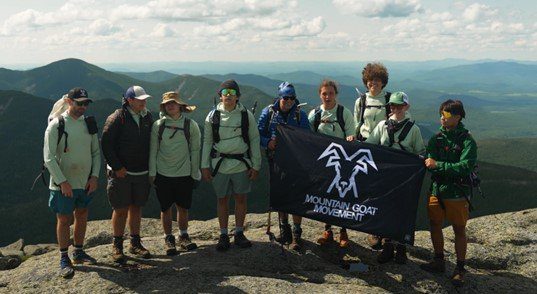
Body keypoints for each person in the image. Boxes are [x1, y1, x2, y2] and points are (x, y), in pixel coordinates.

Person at [43, 87, 100, 278]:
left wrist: (94, 177)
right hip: (64, 183)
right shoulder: (57, 125)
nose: (83, 107)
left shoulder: (89, 124)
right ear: (69, 102)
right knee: (64, 218)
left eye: (86, 103)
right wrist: (62, 182)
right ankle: (63, 257)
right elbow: (48, 157)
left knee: (82, 214)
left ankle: (78, 251)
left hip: (84, 181)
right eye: (79, 103)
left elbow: (96, 153)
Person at [420, 99, 477, 287]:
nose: (441, 118)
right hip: (437, 190)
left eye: (445, 115)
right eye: (441, 114)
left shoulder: (467, 140)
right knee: (434, 224)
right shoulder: (436, 139)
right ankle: (439, 261)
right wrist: (438, 167)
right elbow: (429, 162)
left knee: (459, 229)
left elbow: (465, 167)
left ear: (458, 117)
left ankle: (460, 269)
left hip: (457, 193)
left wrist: (439, 166)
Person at [201, 80, 261, 251]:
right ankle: (224, 234)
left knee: (240, 198)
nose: (228, 95)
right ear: (220, 95)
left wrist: (256, 165)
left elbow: (255, 140)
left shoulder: (245, 115)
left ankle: (239, 232)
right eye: (225, 92)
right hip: (220, 164)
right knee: (222, 199)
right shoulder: (212, 116)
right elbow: (207, 142)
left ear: (237, 96)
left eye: (232, 92)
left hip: (241, 164)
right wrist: (204, 166)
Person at [366, 91, 425, 264]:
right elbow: (370, 144)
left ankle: (401, 248)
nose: (395, 108)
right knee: (386, 209)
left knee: (401, 210)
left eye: (399, 105)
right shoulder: (382, 125)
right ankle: (388, 246)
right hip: (385, 175)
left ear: (406, 107)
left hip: (404, 178)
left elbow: (420, 152)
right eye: (392, 105)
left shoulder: (414, 129)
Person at [101, 85, 153, 263]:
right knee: (121, 208)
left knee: (137, 207)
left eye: (145, 99)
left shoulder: (147, 116)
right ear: (130, 100)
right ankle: (117, 246)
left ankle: (135, 243)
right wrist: (116, 167)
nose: (144, 102)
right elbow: (106, 144)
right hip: (121, 172)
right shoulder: (117, 118)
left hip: (141, 171)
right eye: (140, 100)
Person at [257, 82, 310, 251]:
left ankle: (296, 235)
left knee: (295, 196)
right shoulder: (268, 113)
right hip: (276, 160)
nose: (288, 101)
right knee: (280, 196)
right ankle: (284, 230)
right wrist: (267, 142)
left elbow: (307, 137)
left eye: (292, 98)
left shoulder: (300, 115)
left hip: (296, 163)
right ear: (279, 97)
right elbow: (257, 134)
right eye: (285, 97)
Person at [149, 91, 201, 256]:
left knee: (183, 207)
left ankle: (183, 235)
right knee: (165, 208)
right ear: (164, 107)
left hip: (184, 173)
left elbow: (196, 150)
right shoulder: (158, 125)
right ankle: (168, 237)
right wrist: (152, 172)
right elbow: (153, 150)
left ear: (180, 105)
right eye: (167, 104)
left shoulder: (191, 125)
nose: (170, 105)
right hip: (163, 173)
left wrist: (195, 173)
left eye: (173, 102)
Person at [308, 79, 355, 248]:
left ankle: (344, 231)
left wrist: (350, 138)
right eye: (324, 93)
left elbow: (351, 134)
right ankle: (328, 230)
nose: (328, 97)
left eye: (331, 93)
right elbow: (308, 139)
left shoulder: (344, 113)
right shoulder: (314, 115)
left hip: (342, 164)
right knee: (325, 197)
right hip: (323, 164)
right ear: (320, 95)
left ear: (336, 94)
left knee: (342, 196)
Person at [353, 62, 392, 250]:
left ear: (383, 82)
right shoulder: (361, 101)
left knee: (382, 190)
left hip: (383, 149)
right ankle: (373, 230)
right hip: (365, 147)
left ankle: (383, 230)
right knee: (368, 188)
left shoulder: (390, 100)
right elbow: (355, 124)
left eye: (377, 80)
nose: (373, 84)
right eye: (370, 80)